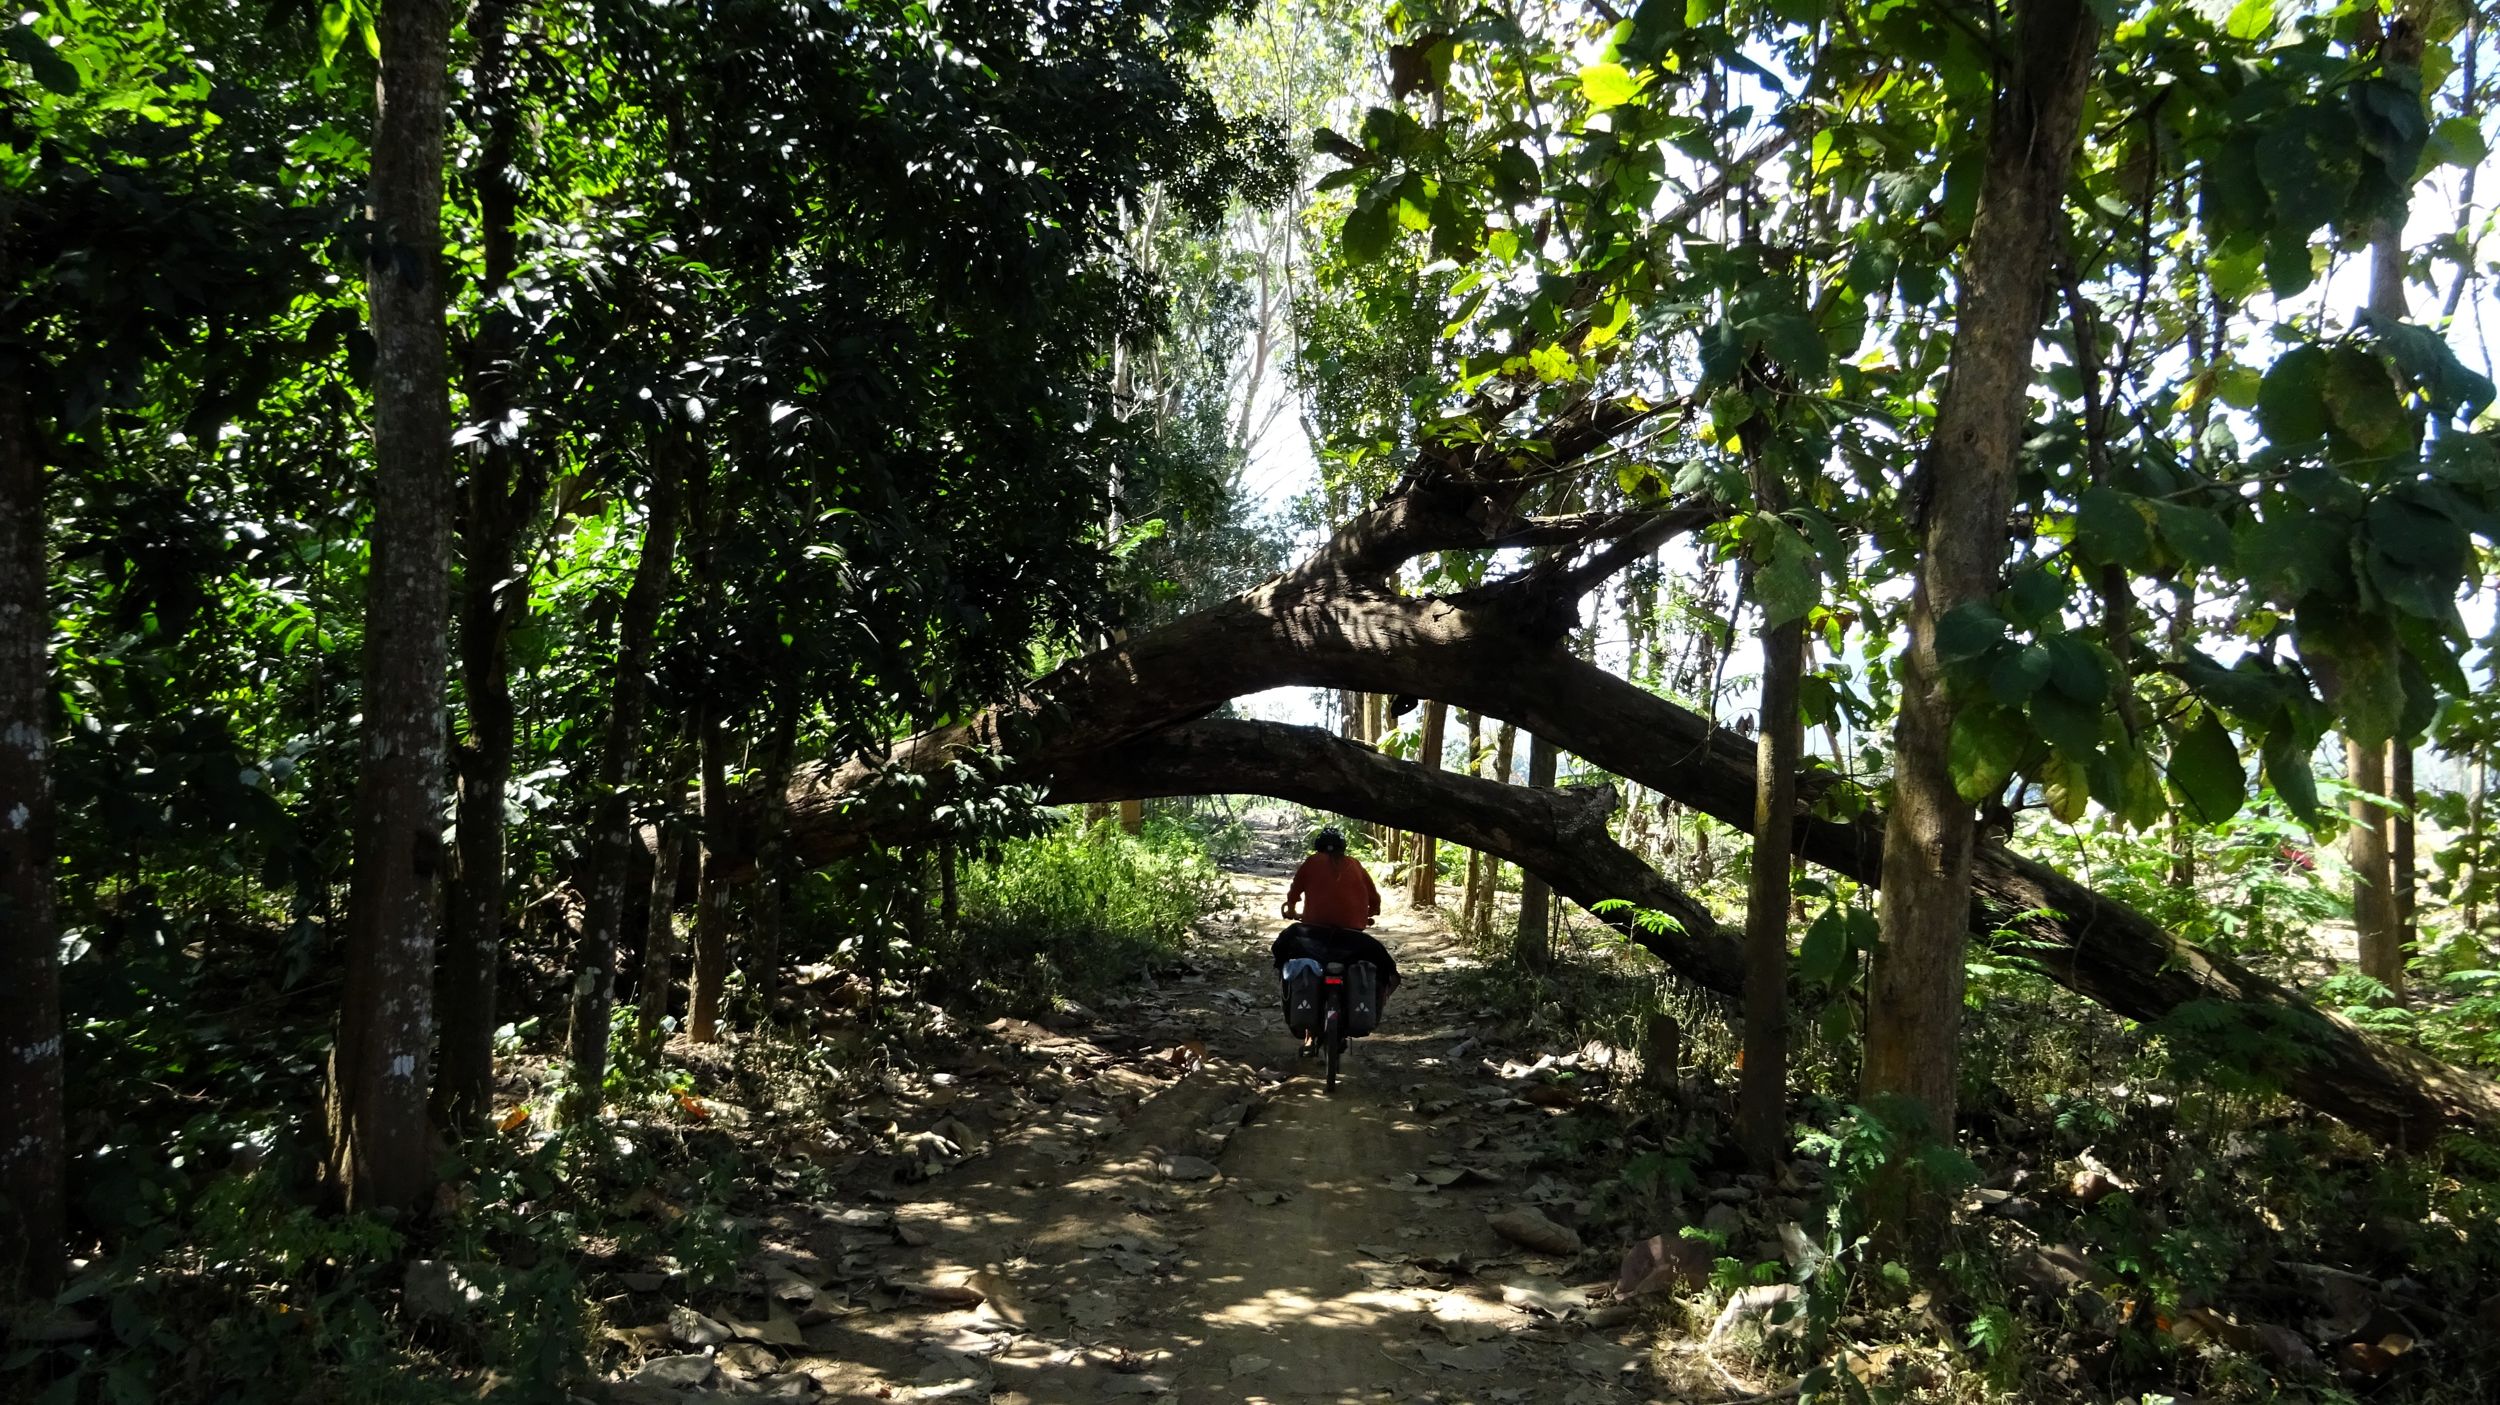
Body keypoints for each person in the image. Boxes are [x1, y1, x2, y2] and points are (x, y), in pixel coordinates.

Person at [1274, 827, 1399, 1051]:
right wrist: (1369, 912)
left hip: (1312, 936)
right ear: (1343, 848)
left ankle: (1302, 1019)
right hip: (1352, 940)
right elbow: (1375, 900)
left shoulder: (1312, 862)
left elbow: (1294, 893)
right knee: (1385, 966)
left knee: (1282, 949)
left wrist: (1292, 909)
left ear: (1318, 847)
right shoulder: (1355, 865)